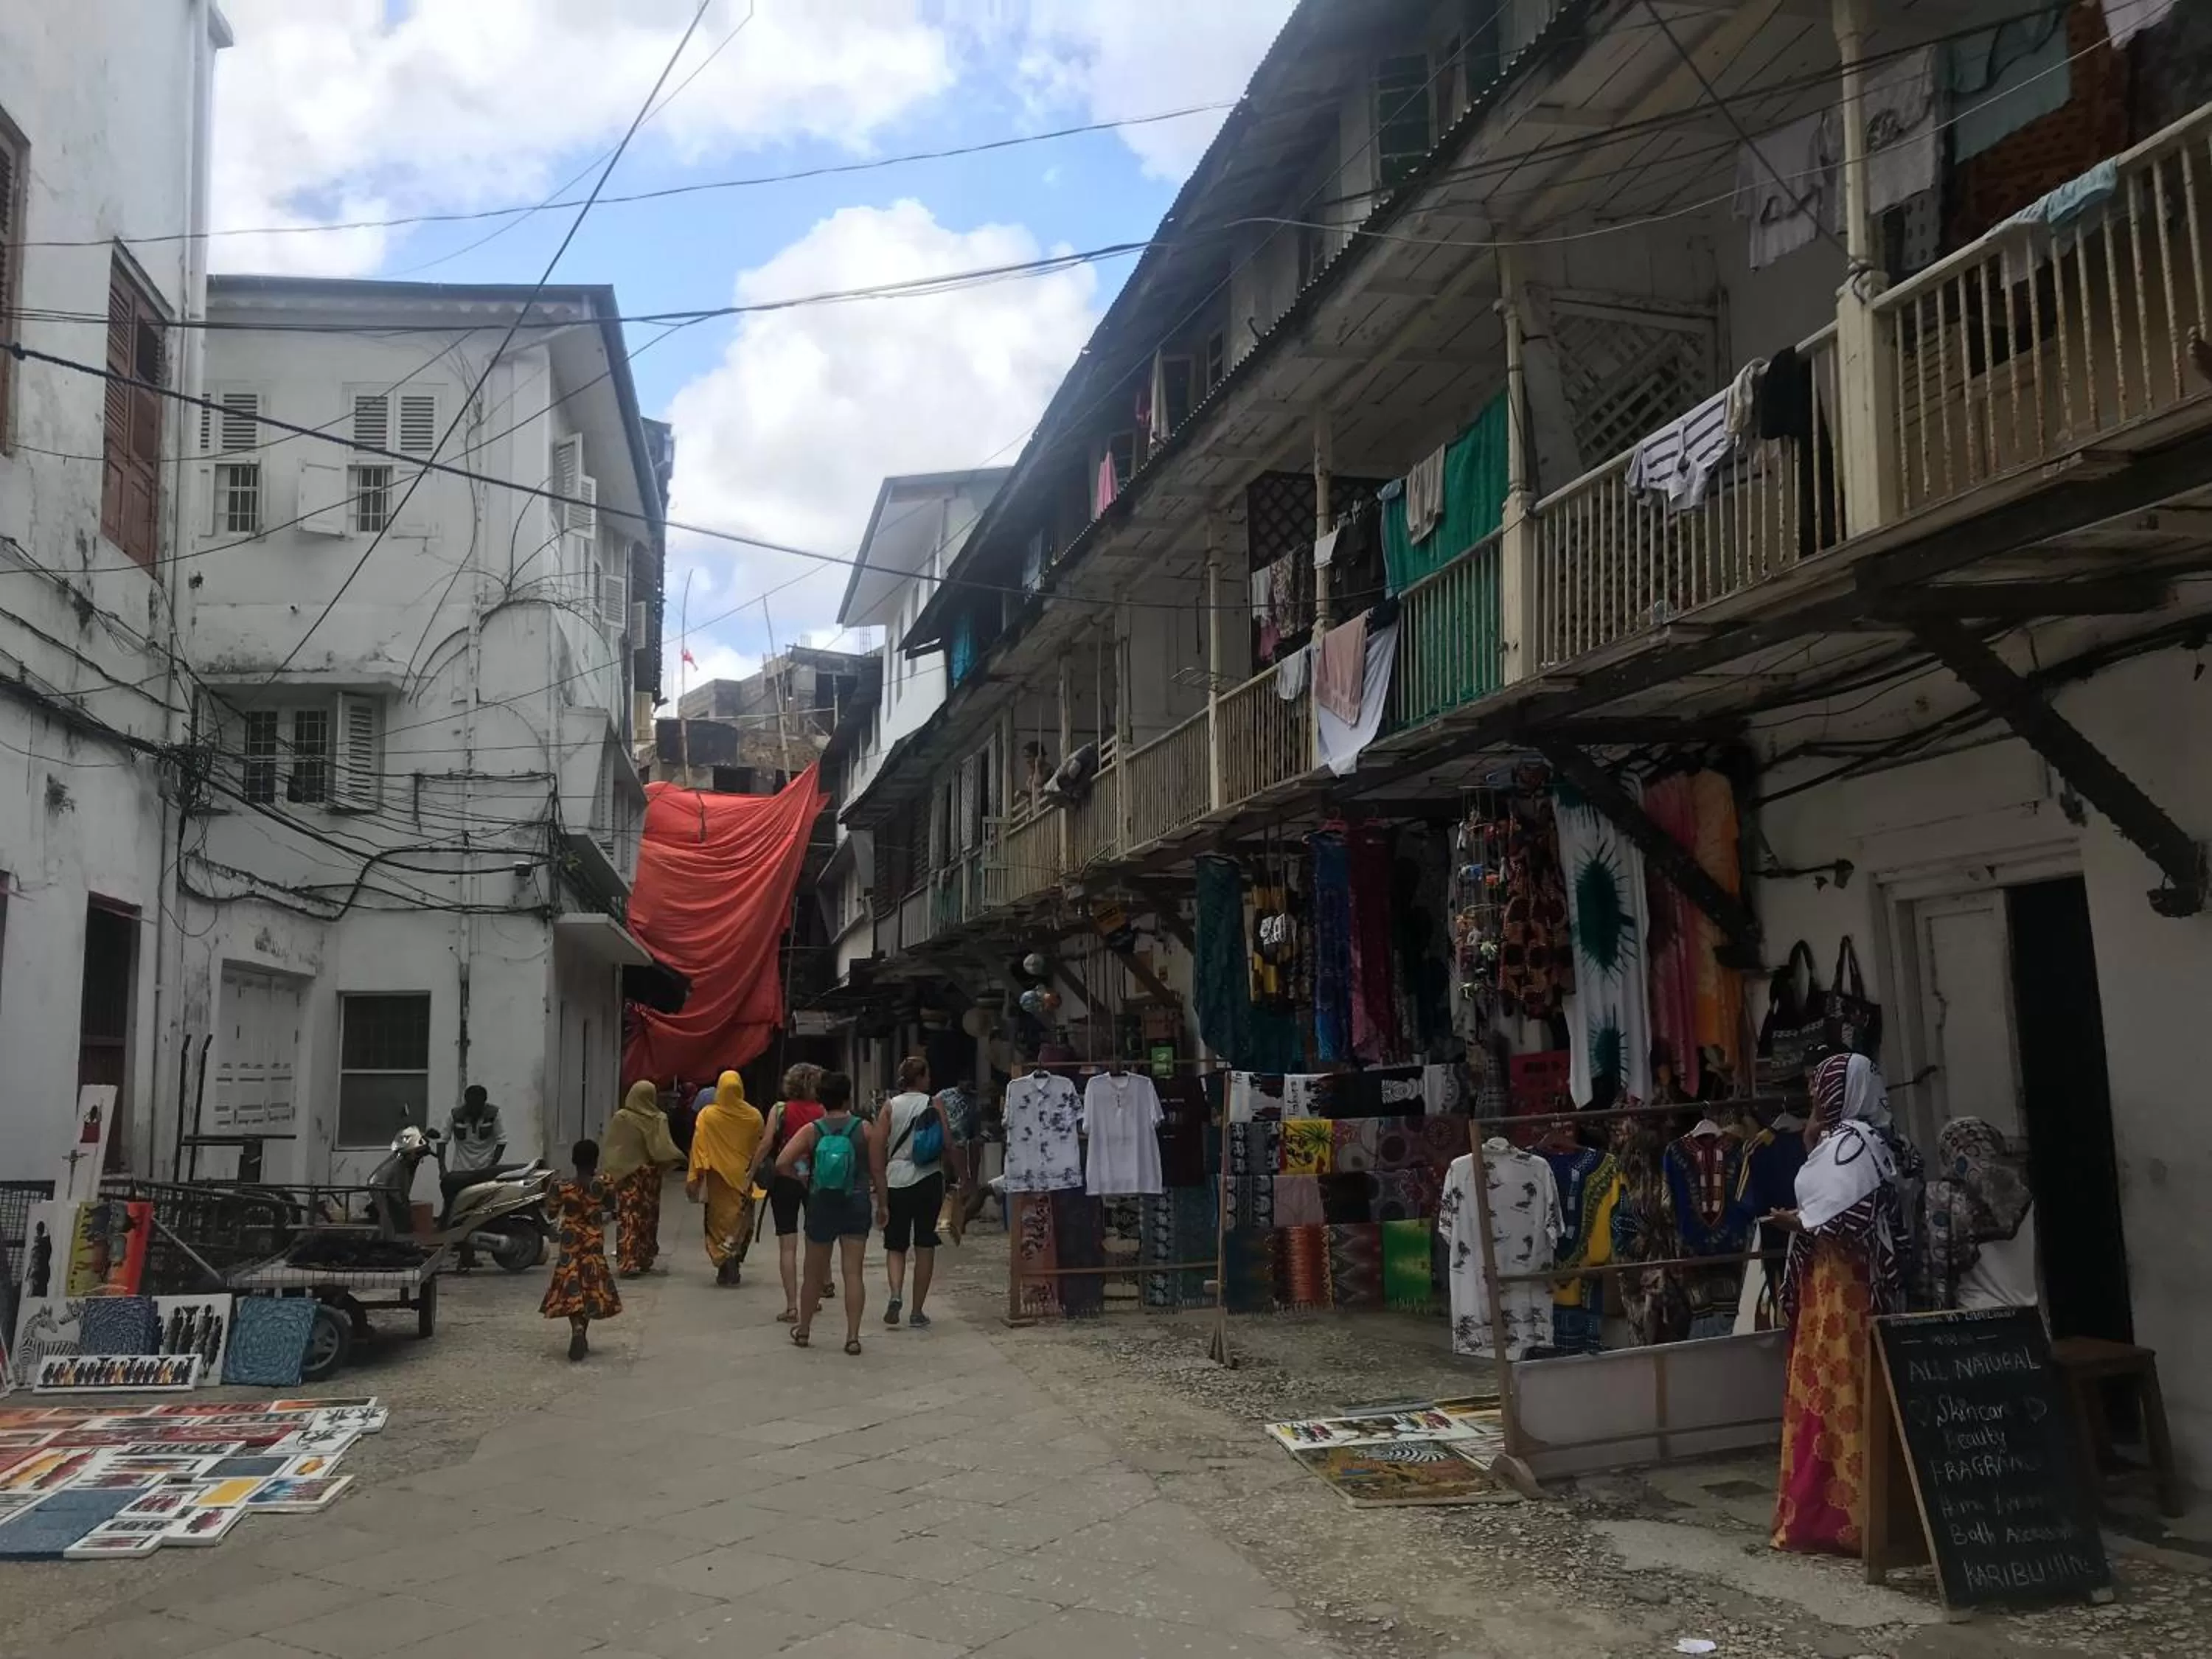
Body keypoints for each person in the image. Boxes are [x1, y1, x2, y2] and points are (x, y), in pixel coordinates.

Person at [1765, 1051, 1906, 1557]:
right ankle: (1832, 1513)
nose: (1814, 1101)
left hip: (1844, 1288)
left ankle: (1847, 1517)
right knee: (1829, 1387)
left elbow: (1844, 1215)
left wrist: (1799, 1223)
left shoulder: (1854, 1146)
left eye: (1820, 1090)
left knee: (1842, 1387)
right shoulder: (1854, 1143)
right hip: (1832, 1287)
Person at [774, 1070, 883, 1355]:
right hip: (856, 1202)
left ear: (821, 1099)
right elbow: (877, 1170)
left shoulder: (812, 1130)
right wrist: (883, 1203)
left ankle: (805, 1329)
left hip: (821, 1203)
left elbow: (782, 1162)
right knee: (853, 1273)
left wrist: (802, 1178)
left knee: (813, 1274)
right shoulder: (865, 1129)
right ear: (848, 1098)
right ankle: (853, 1337)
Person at [877, 1055, 964, 1329]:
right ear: (923, 1078)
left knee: (895, 1245)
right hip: (928, 1178)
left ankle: (895, 1295)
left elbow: (879, 1145)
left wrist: (877, 1184)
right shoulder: (933, 1103)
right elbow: (948, 1142)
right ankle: (916, 1311)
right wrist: (960, 1175)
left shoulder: (890, 1106)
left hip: (896, 1179)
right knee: (925, 1246)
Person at [1921, 1117, 2037, 1311]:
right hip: (2030, 1315)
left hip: (1975, 1316)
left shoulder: (1944, 1198)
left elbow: (1933, 1272)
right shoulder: (2025, 1192)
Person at [755, 1063, 826, 1322]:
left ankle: (792, 1306)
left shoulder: (780, 1110)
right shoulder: (822, 1111)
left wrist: (751, 1172)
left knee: (787, 1244)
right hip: (815, 1180)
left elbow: (765, 1144)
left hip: (784, 1179)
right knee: (815, 1242)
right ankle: (813, 1298)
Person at [540, 1138, 621, 1361]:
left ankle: (576, 1328)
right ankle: (581, 1331)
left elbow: (552, 1213)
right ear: (595, 1160)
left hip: (570, 1241)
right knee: (590, 1287)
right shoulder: (604, 1183)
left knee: (572, 1287)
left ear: (574, 1160)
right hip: (593, 1242)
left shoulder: (562, 1186)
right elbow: (611, 1207)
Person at [688, 1071, 765, 1286]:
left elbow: (699, 1147)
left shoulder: (707, 1115)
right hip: (744, 1178)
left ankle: (723, 1262)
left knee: (717, 1224)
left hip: (717, 1180)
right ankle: (734, 1259)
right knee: (741, 1222)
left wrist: (696, 1174)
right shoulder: (754, 1116)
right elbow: (758, 1145)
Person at [601, 1080, 681, 1279]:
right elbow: (663, 1148)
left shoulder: (622, 1118)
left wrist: (611, 1173)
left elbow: (613, 1147)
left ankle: (628, 1261)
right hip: (650, 1176)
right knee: (649, 1217)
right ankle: (644, 1258)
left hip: (629, 1175)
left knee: (629, 1216)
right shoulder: (659, 1118)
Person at [447, 1085, 506, 1175]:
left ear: (484, 1102)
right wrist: (442, 1169)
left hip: (485, 1169)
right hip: (460, 1170)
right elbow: (442, 1140)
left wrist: (492, 1166)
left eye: (478, 1105)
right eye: (471, 1105)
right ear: (466, 1102)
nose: (474, 1109)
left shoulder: (494, 1114)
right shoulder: (455, 1114)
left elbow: (502, 1141)